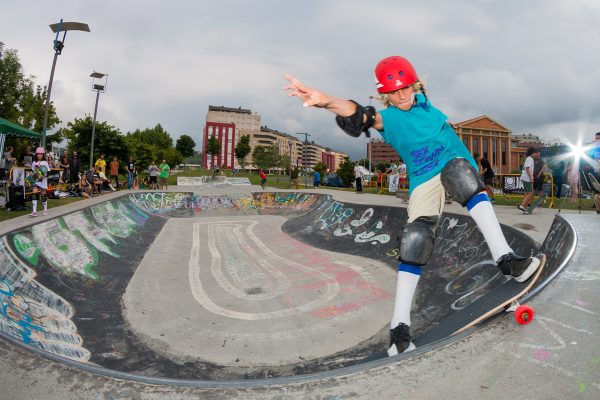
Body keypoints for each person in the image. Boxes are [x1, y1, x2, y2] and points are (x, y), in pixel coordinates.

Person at [284, 55, 542, 356]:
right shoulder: (391, 118)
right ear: (385, 95)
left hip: (453, 166)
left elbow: (425, 102)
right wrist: (325, 100)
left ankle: (507, 260)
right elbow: (362, 115)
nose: (401, 96)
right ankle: (399, 327)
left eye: (405, 89)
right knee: (415, 237)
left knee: (460, 174)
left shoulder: (427, 106)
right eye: (393, 93)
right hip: (423, 178)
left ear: (415, 85)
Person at [29, 147, 50, 217]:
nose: (39, 155)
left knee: (43, 195)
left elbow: (48, 172)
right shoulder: (34, 162)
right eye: (38, 154)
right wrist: (31, 176)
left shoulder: (45, 162)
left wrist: (44, 175)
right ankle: (34, 211)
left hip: (43, 181)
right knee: (34, 193)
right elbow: (32, 171)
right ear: (36, 154)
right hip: (36, 180)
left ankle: (45, 210)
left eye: (41, 154)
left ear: (43, 155)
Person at [518, 148, 537, 213]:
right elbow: (527, 168)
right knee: (530, 193)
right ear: (532, 153)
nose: (536, 154)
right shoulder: (530, 159)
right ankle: (522, 206)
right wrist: (531, 177)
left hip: (525, 178)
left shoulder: (529, 158)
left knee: (527, 193)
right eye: (535, 153)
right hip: (527, 178)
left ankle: (525, 207)